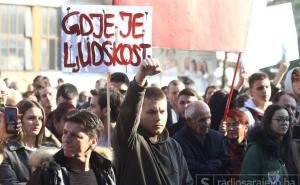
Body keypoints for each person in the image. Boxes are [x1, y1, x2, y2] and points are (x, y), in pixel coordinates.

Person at [113, 58, 193, 185]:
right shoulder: (130, 142)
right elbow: (128, 112)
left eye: (162, 111)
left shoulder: (173, 145)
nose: (158, 117)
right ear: (138, 114)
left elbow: (186, 181)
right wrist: (141, 76)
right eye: (151, 112)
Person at [27, 110, 115, 185]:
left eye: (74, 135)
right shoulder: (47, 173)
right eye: (65, 132)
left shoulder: (106, 171)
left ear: (93, 142)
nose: (66, 139)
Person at [173, 101, 232, 183]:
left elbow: (227, 165)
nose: (207, 123)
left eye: (209, 118)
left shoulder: (217, 137)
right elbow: (192, 170)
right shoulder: (178, 141)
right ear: (189, 121)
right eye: (202, 120)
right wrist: (217, 163)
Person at [0, 100, 53, 184]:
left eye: (40, 119)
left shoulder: (50, 149)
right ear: (19, 120)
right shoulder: (6, 152)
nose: (37, 123)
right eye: (31, 118)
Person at [240, 105, 290, 184]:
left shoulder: (285, 147)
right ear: (268, 122)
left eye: (287, 119)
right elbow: (247, 181)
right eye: (279, 119)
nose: (284, 123)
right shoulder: (256, 150)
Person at [225, 109, 249, 175]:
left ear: (246, 127)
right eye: (228, 125)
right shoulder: (222, 147)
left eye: (235, 125)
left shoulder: (252, 148)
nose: (231, 128)